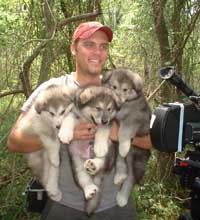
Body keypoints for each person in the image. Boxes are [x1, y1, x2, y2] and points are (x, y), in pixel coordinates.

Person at [7, 21, 152, 220]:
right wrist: (64, 134)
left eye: (103, 47)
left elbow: (152, 140)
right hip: (64, 205)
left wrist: (124, 134)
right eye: (89, 45)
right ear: (73, 48)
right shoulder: (54, 89)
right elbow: (15, 141)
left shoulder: (120, 88)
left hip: (116, 207)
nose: (97, 52)